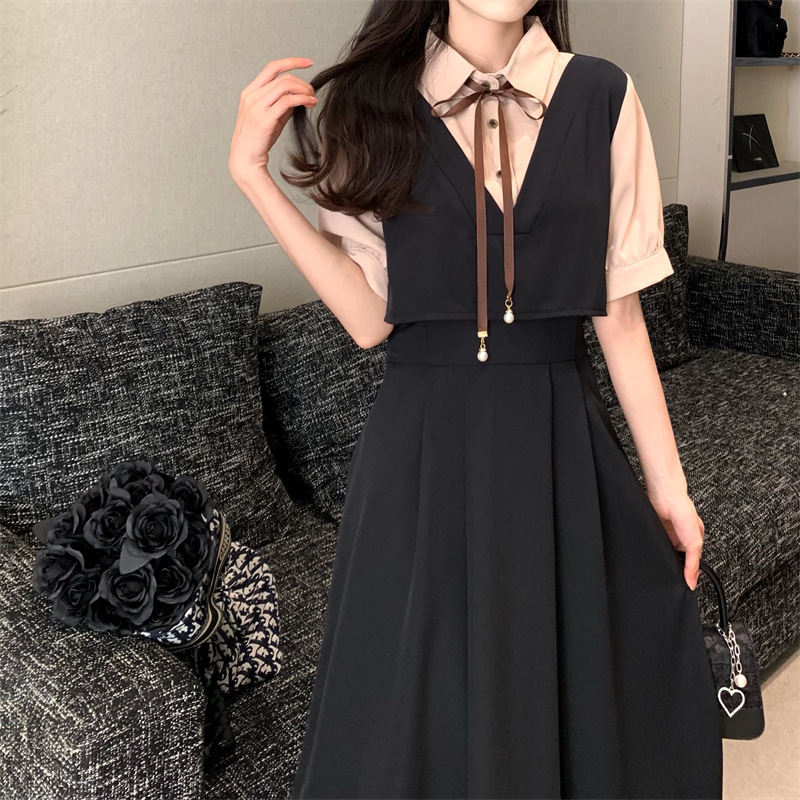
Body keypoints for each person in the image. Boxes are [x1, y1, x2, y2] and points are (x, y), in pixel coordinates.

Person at [228, 1, 724, 797]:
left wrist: (670, 489)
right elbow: (368, 319)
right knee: (420, 714)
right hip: (421, 452)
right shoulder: (369, 104)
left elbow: (621, 316)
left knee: (591, 683)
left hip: (560, 437)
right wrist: (253, 177)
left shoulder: (601, 95)